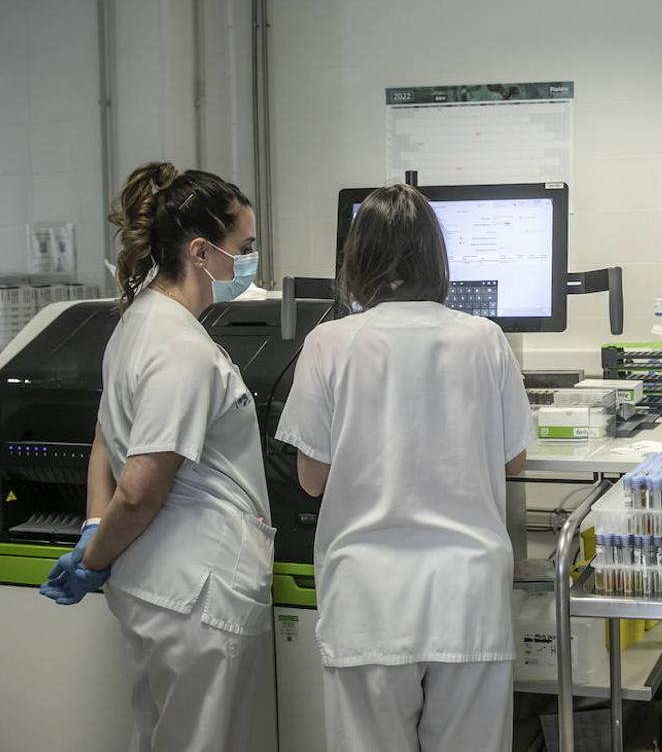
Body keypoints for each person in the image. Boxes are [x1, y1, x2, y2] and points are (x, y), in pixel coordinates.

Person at [276, 183, 533, 752]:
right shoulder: (485, 339)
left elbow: (312, 479)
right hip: (466, 598)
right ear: (436, 257)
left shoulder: (329, 343)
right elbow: (514, 461)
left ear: (357, 257)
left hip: (369, 602)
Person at [39, 162, 274, 752]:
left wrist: (96, 530)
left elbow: (104, 435)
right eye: (243, 248)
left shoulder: (138, 319)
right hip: (197, 592)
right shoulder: (180, 350)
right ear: (200, 251)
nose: (249, 261)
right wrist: (97, 550)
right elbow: (142, 487)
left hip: (160, 587)